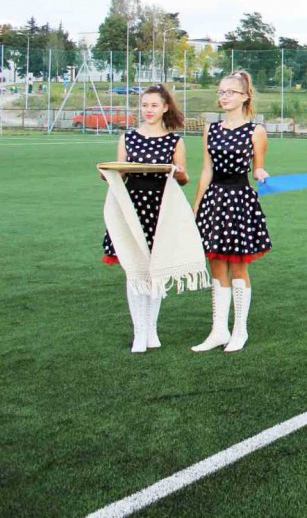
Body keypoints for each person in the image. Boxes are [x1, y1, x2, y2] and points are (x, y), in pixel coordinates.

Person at [101, 84, 190, 353]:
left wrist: (178, 172)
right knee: (135, 270)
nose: (148, 110)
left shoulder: (175, 141)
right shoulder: (128, 138)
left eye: (154, 105)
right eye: (144, 105)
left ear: (165, 108)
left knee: (156, 270)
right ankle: (139, 333)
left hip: (162, 208)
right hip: (133, 207)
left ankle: (151, 330)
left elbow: (184, 178)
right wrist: (108, 173)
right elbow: (121, 172)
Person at [191, 71, 273, 353]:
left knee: (238, 266)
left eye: (230, 92)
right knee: (216, 265)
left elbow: (257, 167)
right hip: (214, 200)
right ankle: (218, 330)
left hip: (239, 200)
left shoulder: (256, 131)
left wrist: (261, 173)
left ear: (245, 97)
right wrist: (197, 205)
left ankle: (240, 330)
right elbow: (206, 170)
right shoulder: (211, 129)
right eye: (221, 92)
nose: (223, 97)